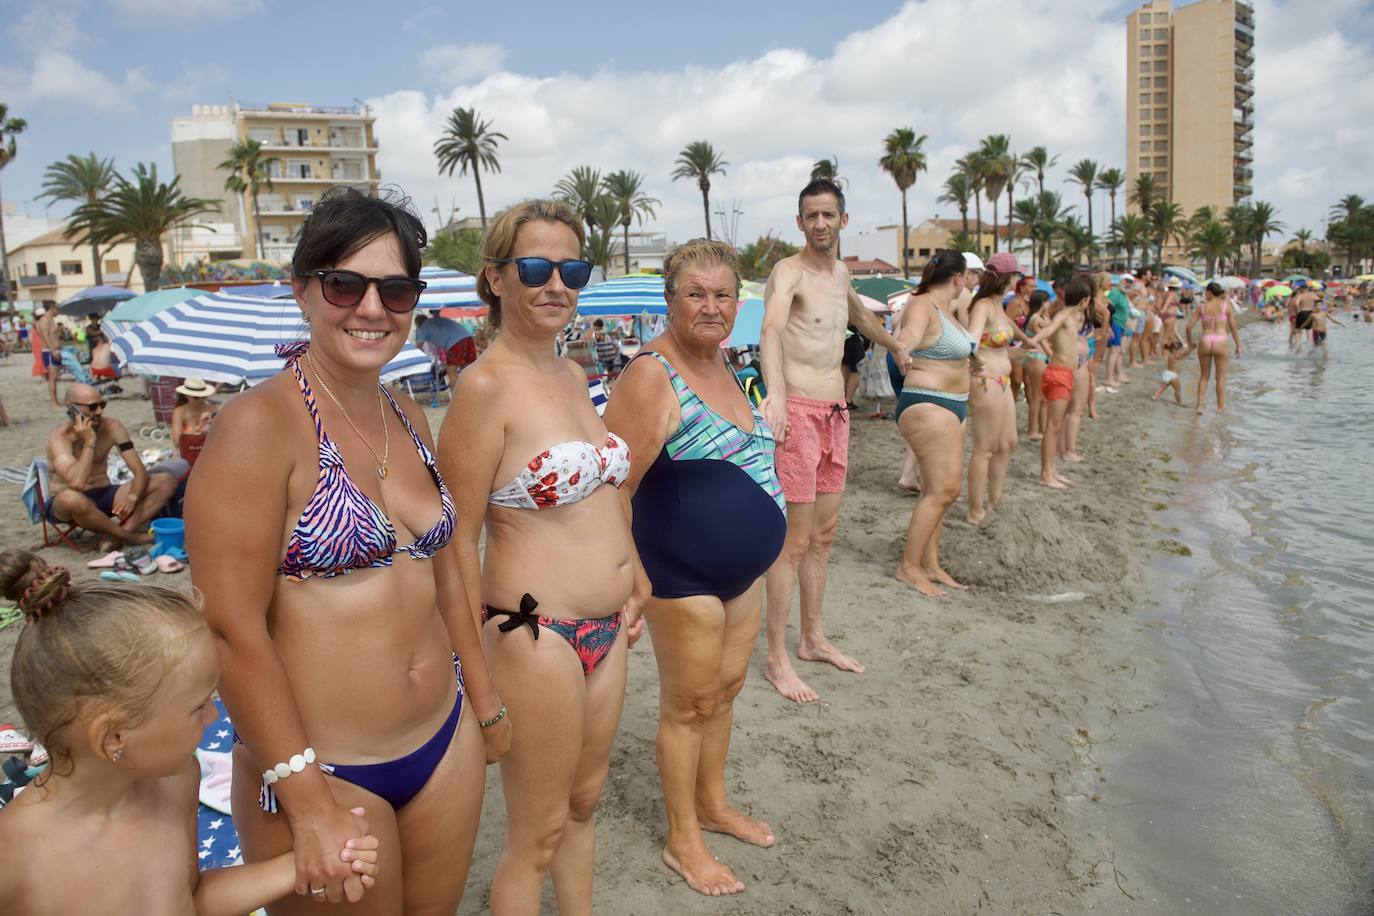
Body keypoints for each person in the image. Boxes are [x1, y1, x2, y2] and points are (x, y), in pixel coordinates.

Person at [186, 188, 504, 915]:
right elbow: (231, 629)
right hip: (327, 767)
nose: (370, 308)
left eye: (394, 290)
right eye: (344, 284)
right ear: (302, 290)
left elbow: (447, 567)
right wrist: (304, 796)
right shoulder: (257, 427)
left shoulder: (407, 411)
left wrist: (482, 699)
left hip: (442, 740)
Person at [438, 199, 636, 915]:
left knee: (584, 805)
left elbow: (607, 490)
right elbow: (454, 541)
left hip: (609, 631)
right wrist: (479, 687)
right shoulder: (483, 388)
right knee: (536, 835)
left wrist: (634, 578)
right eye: (535, 267)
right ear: (494, 278)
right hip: (536, 635)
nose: (556, 284)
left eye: (572, 268)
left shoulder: (573, 373)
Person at [0, 550, 382, 914]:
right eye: (197, 706)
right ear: (113, 737)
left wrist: (305, 864)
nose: (214, 717)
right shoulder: (15, 859)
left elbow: (186, 899)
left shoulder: (175, 782)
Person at [604, 240, 784, 897]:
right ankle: (683, 838)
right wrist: (631, 574)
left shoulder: (725, 364)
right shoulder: (653, 373)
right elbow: (615, 484)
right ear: (670, 300)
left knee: (728, 689)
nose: (711, 306)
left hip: (743, 573)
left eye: (723, 294)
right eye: (695, 294)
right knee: (689, 704)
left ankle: (713, 803)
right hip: (680, 572)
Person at [758, 178, 911, 702]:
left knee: (823, 538)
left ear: (843, 220)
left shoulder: (842, 272)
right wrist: (776, 396)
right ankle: (777, 658)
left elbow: (857, 314)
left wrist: (895, 343)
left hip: (836, 414)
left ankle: (813, 638)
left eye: (828, 214)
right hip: (798, 413)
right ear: (800, 222)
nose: (819, 223)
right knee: (792, 545)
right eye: (810, 215)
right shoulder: (789, 271)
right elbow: (772, 329)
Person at [891, 251, 977, 597]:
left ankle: (931, 563)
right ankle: (908, 567)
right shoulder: (922, 304)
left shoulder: (949, 311)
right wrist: (902, 349)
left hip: (952, 405)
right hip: (929, 404)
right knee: (946, 490)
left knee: (934, 490)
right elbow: (910, 333)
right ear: (958, 278)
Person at [45, 383, 178, 546]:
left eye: (102, 405)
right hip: (67, 504)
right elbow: (77, 483)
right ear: (72, 408)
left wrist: (132, 496)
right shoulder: (60, 438)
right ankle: (130, 538)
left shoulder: (111, 427)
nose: (99, 412)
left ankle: (119, 534)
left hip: (104, 494)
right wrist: (89, 441)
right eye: (92, 407)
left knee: (165, 481)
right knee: (71, 498)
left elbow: (139, 471)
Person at [963, 268, 1030, 524]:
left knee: (1008, 443)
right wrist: (977, 360)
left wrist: (1023, 348)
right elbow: (970, 342)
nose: (1017, 281)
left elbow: (1006, 340)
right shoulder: (982, 306)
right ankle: (974, 510)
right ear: (1006, 276)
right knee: (985, 448)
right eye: (1015, 275)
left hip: (1002, 380)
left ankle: (994, 501)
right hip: (985, 381)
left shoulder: (999, 306)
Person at [1029, 276, 1093, 490]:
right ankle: (1045, 474)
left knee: (1054, 427)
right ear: (1085, 300)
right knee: (1052, 427)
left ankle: (1052, 470)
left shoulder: (1072, 317)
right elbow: (1048, 330)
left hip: (1063, 373)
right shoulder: (1065, 315)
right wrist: (1029, 342)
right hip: (1058, 373)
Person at [1185, 280, 1241, 415]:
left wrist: (1189, 342)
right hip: (1221, 341)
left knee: (1204, 376)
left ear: (1210, 292)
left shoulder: (1202, 307)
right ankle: (1220, 408)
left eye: (1206, 292)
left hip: (1205, 340)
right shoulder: (1226, 306)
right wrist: (1238, 345)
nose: (1205, 294)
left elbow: (1188, 327)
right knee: (1221, 377)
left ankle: (1199, 407)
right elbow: (1233, 327)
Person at [413, 312, 474, 393]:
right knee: (469, 368)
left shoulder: (423, 328)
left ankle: (457, 395)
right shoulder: (436, 321)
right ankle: (473, 391)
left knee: (451, 370)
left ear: (417, 323)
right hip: (468, 338)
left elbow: (418, 347)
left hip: (454, 342)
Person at [1021, 290, 1051, 441]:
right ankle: (1033, 430)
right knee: (1036, 397)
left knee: (1042, 397)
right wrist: (1053, 355)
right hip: (1037, 357)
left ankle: (1042, 429)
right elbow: (1043, 340)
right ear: (1044, 302)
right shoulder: (1036, 319)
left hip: (1037, 358)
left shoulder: (1037, 318)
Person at [169, 378, 218, 468]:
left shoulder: (213, 409)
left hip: (208, 452)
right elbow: (177, 442)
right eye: (196, 397)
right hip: (186, 453)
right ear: (186, 396)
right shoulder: (180, 411)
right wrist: (200, 427)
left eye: (203, 397)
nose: (200, 400)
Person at [1104, 274, 1131, 386]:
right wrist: (1108, 325)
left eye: (1130, 282)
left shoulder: (1123, 294)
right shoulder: (1115, 293)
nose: (1128, 284)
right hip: (1115, 324)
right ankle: (1109, 378)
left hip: (1121, 325)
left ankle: (1117, 375)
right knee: (1114, 351)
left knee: (1118, 351)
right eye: (1126, 281)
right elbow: (1108, 308)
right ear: (1121, 281)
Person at [1151, 339, 1196, 404]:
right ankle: (1179, 401)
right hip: (1173, 376)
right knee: (1178, 390)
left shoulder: (1170, 356)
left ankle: (1155, 396)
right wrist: (1191, 349)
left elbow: (1183, 354)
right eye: (1180, 350)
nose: (1181, 351)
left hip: (1166, 374)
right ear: (1174, 350)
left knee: (1162, 387)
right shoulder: (1176, 356)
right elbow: (1185, 354)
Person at [34, 305, 62, 408]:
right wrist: (53, 350)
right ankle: (53, 402)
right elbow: (45, 336)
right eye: (58, 309)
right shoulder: (45, 320)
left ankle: (56, 400)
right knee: (52, 377)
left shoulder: (51, 319)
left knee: (55, 378)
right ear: (52, 308)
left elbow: (52, 335)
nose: (58, 312)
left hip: (53, 350)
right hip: (49, 351)